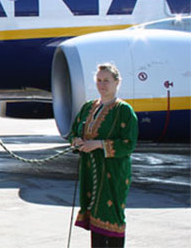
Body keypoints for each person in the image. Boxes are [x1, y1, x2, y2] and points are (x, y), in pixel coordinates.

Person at [69, 63, 138, 248]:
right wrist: (76, 142)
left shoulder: (124, 110)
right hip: (92, 170)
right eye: (99, 80)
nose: (102, 85)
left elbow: (128, 144)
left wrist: (99, 144)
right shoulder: (88, 107)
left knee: (111, 216)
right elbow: (74, 131)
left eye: (106, 81)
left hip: (113, 172)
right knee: (95, 216)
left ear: (117, 82)